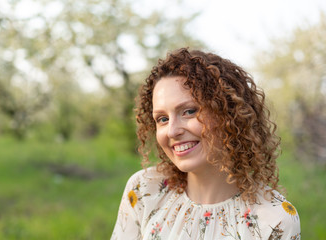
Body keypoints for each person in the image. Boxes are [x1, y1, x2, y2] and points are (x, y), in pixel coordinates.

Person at [111, 48, 301, 239]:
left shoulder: (274, 220)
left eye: (189, 111)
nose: (172, 131)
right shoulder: (144, 190)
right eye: (162, 119)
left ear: (228, 113)